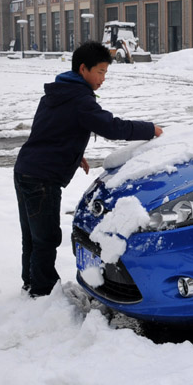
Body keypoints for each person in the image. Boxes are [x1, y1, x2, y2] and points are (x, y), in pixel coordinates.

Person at [13, 41, 162, 297]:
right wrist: (151, 129)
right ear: (83, 69)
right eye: (101, 72)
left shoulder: (58, 91)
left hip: (26, 169)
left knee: (32, 235)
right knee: (46, 238)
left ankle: (31, 281)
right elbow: (112, 127)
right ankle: (43, 291)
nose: (103, 78)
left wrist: (74, 152)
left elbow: (50, 127)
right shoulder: (80, 99)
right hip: (42, 178)